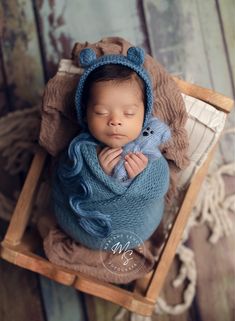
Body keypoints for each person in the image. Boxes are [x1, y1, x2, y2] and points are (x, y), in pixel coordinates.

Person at [52, 46, 171, 250]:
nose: (115, 121)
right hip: (79, 228)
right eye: (101, 112)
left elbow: (159, 186)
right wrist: (98, 174)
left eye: (129, 113)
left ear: (145, 114)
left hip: (136, 228)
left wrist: (141, 177)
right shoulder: (80, 150)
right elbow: (65, 178)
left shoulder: (149, 152)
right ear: (85, 112)